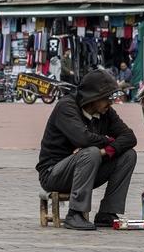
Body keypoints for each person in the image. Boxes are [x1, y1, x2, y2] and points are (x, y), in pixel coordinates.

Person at [36, 69, 137, 231]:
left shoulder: (106, 112)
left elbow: (130, 137)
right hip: (54, 173)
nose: (110, 103)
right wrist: (109, 141)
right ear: (94, 97)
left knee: (128, 155)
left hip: (87, 168)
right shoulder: (66, 107)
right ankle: (75, 213)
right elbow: (82, 139)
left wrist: (106, 150)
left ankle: (107, 213)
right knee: (91, 152)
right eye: (107, 98)